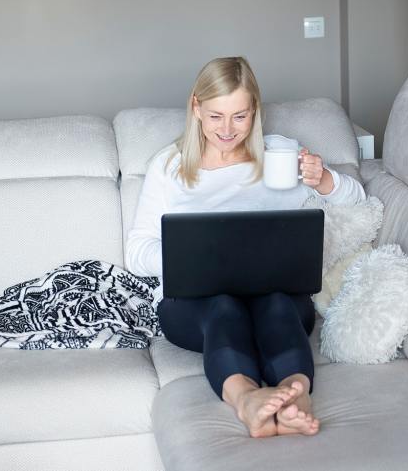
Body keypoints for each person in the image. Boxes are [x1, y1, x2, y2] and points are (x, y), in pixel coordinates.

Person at [125, 56, 365, 438]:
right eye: (216, 115)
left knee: (278, 304)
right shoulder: (169, 167)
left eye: (240, 116)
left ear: (255, 110)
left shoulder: (281, 154)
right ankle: (247, 400)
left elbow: (356, 201)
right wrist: (194, 258)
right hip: (194, 306)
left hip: (277, 295)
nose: (227, 129)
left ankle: (296, 397)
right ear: (196, 108)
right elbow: (136, 252)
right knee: (223, 306)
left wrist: (324, 180)